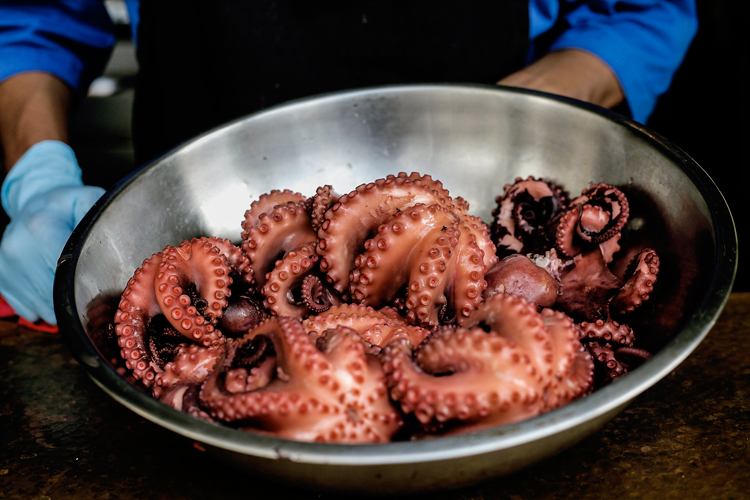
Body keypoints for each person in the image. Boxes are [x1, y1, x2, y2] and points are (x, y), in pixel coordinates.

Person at [0, 0, 698, 326]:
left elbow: (640, 12)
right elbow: (37, 16)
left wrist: (511, 126)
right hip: (196, 206)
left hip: (478, 187)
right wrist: (39, 174)